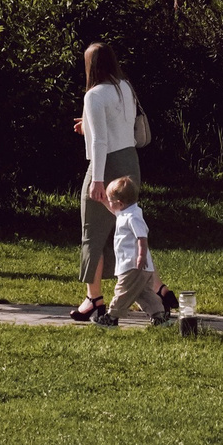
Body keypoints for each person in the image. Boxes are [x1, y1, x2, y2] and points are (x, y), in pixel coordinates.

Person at [71, 43, 140, 322]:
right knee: (127, 230)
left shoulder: (94, 94)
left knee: (93, 233)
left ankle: (94, 298)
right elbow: (118, 127)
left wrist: (97, 180)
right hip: (130, 162)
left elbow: (100, 141)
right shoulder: (125, 87)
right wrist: (86, 126)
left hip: (107, 164)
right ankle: (156, 290)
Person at [95, 177, 167, 327]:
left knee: (123, 290)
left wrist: (141, 255)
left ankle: (112, 317)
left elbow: (142, 236)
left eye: (110, 200)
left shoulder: (133, 217)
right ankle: (159, 316)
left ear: (120, 203)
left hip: (133, 264)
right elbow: (115, 211)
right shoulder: (126, 212)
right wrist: (103, 201)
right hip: (139, 267)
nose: (109, 202)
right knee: (143, 293)